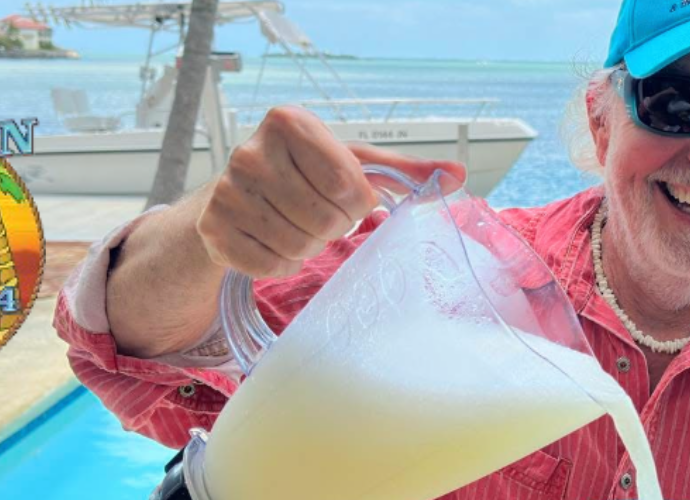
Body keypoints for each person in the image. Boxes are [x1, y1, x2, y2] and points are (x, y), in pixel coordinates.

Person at [54, 0, 690, 498]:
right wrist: (210, 236)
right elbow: (124, 348)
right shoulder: (460, 277)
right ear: (601, 123)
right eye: (677, 102)